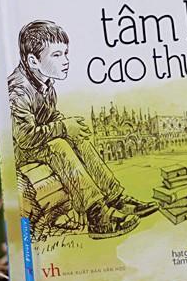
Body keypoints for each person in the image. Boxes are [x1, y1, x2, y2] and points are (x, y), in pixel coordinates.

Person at [8, 20, 154, 237]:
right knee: (59, 146)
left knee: (78, 138)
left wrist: (69, 126)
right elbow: (25, 137)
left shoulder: (45, 84)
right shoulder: (18, 90)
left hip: (34, 141)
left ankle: (115, 198)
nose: (66, 61)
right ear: (33, 60)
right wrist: (64, 127)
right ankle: (97, 215)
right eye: (56, 55)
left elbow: (48, 117)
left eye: (65, 53)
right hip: (19, 150)